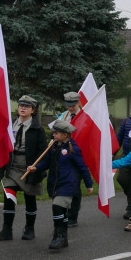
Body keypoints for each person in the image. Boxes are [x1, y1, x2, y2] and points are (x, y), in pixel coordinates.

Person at [29, 120, 93, 251]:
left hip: (68, 184)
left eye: (56, 132)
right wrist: (36, 168)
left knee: (57, 206)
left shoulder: (73, 149)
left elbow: (83, 167)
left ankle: (58, 236)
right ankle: (63, 238)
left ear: (65, 135)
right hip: (55, 184)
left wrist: (89, 184)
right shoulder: (53, 146)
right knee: (62, 211)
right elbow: (46, 162)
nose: (53, 134)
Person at [0, 94, 47, 242]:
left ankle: (29, 229)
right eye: (21, 105)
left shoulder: (37, 129)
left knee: (30, 198)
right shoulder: (11, 124)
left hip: (29, 166)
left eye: (27, 106)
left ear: (33, 111)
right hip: (13, 164)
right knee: (9, 195)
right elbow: (4, 147)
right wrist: (0, 169)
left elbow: (43, 151)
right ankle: (7, 230)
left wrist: (37, 167)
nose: (23, 108)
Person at [58, 91, 84, 227]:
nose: (71, 108)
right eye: (68, 105)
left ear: (78, 102)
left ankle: (73, 216)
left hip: (79, 155)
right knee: (65, 183)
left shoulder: (85, 116)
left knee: (75, 185)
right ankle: (64, 212)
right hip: (64, 155)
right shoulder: (64, 115)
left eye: (73, 105)